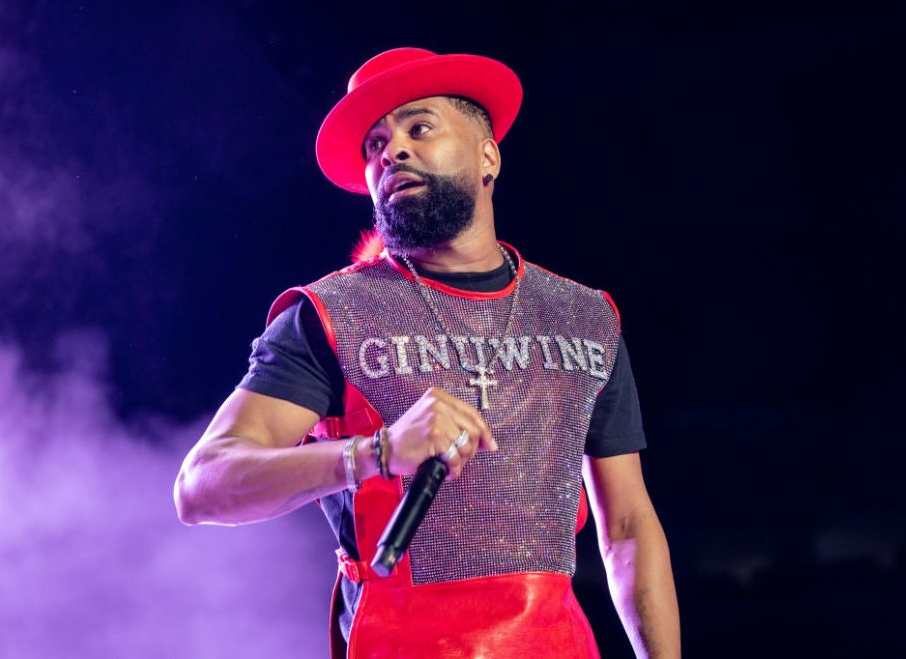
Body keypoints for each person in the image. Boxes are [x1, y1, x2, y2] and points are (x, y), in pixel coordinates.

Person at [174, 48, 680, 658]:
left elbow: (626, 527)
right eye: (375, 145)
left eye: (420, 127)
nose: (393, 151)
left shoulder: (585, 317)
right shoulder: (331, 315)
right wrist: (374, 453)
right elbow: (201, 487)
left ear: (489, 154)